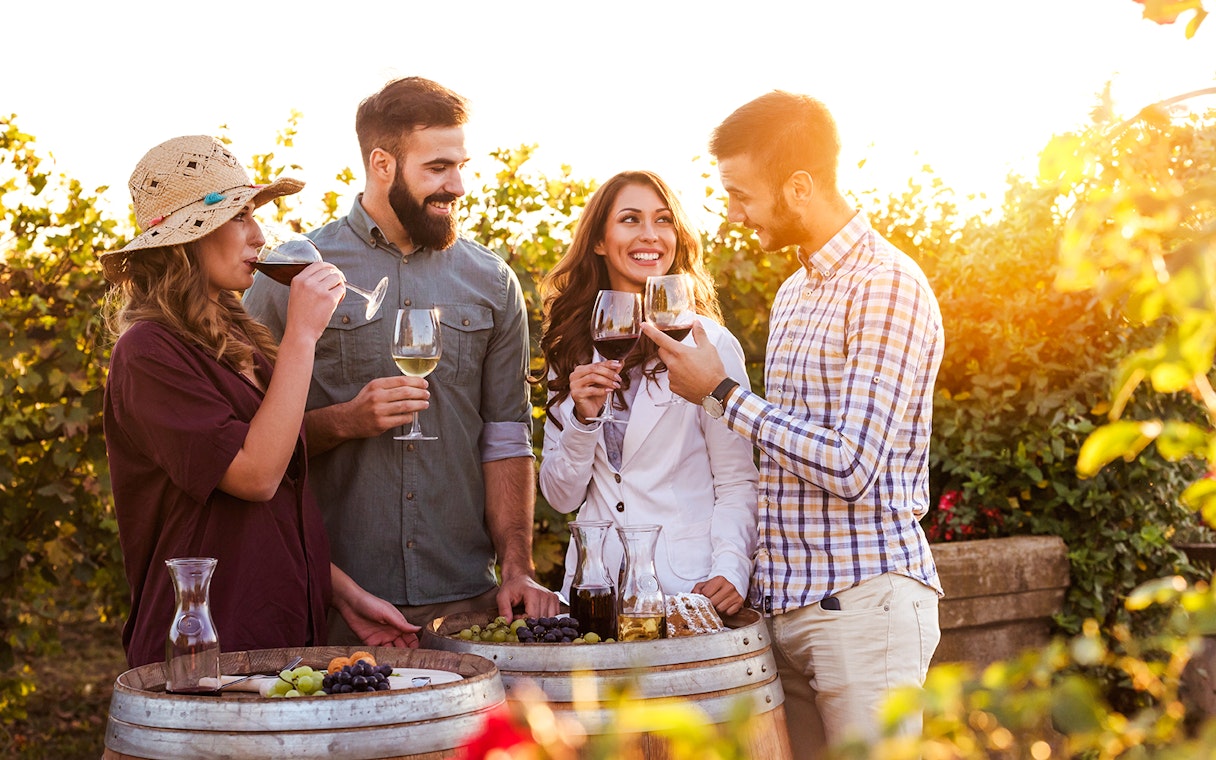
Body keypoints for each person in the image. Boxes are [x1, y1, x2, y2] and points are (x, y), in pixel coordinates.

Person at [643, 92, 944, 753]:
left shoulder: (886, 285)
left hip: (864, 609)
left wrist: (721, 394)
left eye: (741, 194)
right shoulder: (794, 293)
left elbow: (852, 464)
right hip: (788, 610)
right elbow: (782, 452)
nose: (733, 213)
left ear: (799, 187)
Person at [244, 77, 559, 642]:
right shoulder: (292, 275)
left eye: (460, 166)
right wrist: (345, 422)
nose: (456, 185)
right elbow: (247, 445)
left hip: (467, 599)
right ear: (382, 163)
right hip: (333, 602)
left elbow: (507, 438)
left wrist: (517, 567)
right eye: (437, 167)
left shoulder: (492, 282)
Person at [102, 135, 418, 668]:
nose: (259, 235)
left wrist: (342, 594)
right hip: (205, 650)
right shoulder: (148, 352)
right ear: (186, 241)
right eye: (239, 217)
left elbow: (273, 508)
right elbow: (256, 477)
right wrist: (302, 335)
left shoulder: (238, 339)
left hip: (279, 633)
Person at [537, 171, 758, 616]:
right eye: (630, 219)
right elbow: (561, 497)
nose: (650, 235)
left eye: (663, 220)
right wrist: (582, 421)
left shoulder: (708, 344)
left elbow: (736, 479)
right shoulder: (570, 348)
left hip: (688, 590)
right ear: (599, 241)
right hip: (593, 592)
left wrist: (732, 568)